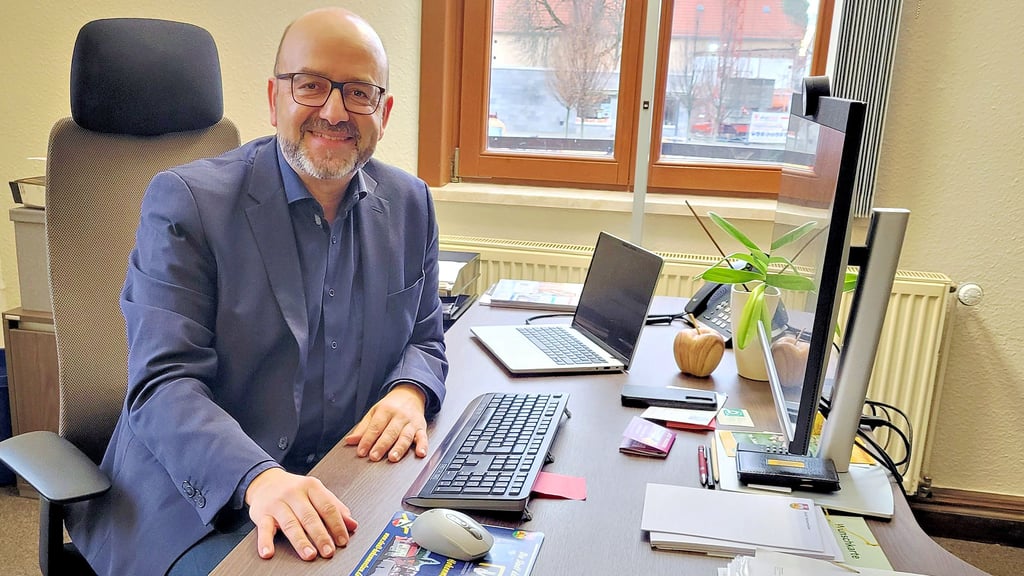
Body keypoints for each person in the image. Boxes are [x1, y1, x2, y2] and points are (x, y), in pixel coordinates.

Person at [66, 8, 448, 576]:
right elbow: (163, 384)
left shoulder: (410, 203)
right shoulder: (187, 203)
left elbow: (426, 337)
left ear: (384, 112)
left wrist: (409, 392)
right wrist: (259, 478)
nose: (335, 111)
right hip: (196, 503)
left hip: (342, 480)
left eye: (359, 92)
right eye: (311, 85)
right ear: (274, 99)